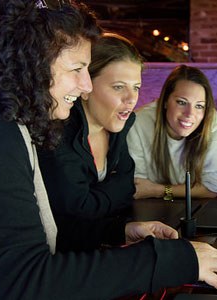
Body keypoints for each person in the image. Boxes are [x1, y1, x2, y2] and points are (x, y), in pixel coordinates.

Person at [0, 1, 217, 299]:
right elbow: (24, 280)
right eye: (77, 69)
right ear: (30, 59)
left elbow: (29, 238)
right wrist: (175, 260)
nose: (86, 85)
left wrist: (120, 230)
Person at [37, 32, 141, 250]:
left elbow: (128, 185)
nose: (131, 99)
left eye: (136, 87)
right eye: (119, 87)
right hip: (59, 258)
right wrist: (116, 191)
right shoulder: (59, 133)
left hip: (103, 242)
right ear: (86, 87)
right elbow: (78, 210)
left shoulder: (119, 123)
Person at [127, 65, 217, 200]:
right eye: (182, 102)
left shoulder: (211, 121)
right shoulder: (138, 122)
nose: (190, 114)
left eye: (199, 106)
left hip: (197, 207)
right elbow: (139, 187)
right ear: (164, 101)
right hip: (150, 206)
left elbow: (215, 188)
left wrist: (159, 190)